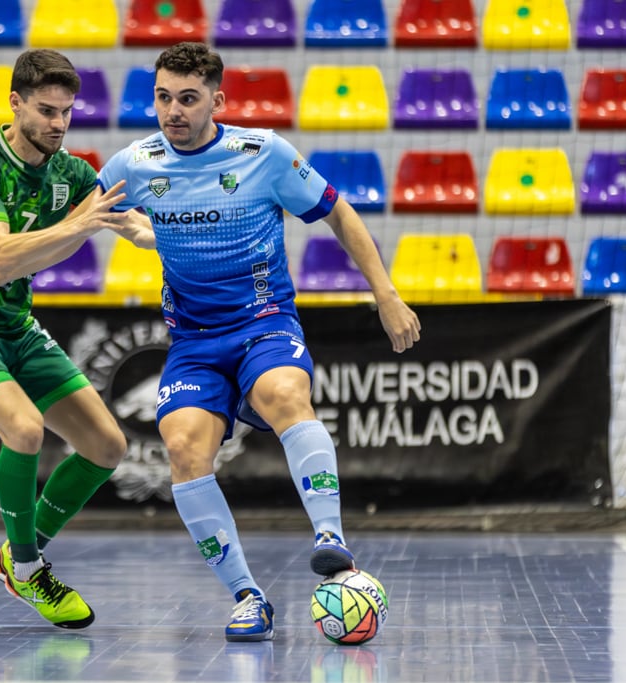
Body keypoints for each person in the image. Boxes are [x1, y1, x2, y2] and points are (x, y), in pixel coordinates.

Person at [97, 42, 421, 642]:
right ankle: (248, 596)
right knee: (182, 446)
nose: (173, 110)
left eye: (188, 99)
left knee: (284, 392)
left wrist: (387, 295)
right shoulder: (133, 165)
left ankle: (330, 537)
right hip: (194, 342)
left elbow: (339, 214)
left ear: (216, 101)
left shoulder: (263, 153)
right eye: (163, 97)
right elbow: (74, 225)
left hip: (262, 322)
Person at [0, 48, 138, 630]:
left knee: (107, 447)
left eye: (67, 111)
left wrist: (161, 237)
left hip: (13, 322)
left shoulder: (70, 172)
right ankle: (31, 567)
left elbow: (111, 220)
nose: (59, 124)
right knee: (24, 428)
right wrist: (72, 229)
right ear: (15, 103)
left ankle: (15, 552)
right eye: (46, 110)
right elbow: (4, 248)